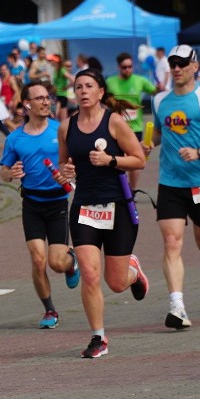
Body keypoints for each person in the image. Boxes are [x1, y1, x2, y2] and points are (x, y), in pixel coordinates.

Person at [56, 67, 148, 358]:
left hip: (117, 207)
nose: (82, 91)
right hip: (84, 207)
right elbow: (64, 166)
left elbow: (139, 160)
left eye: (88, 86)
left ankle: (134, 271)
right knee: (90, 274)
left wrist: (110, 160)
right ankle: (98, 337)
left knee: (117, 283)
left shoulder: (115, 122)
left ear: (100, 92)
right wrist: (67, 171)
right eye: (78, 86)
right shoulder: (65, 127)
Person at [148, 45, 200, 331]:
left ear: (194, 66)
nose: (177, 69)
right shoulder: (160, 100)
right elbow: (159, 133)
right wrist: (146, 144)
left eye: (183, 64)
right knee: (172, 242)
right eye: (173, 64)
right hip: (170, 183)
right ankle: (177, 306)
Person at [0, 80, 80, 329]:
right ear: (26, 104)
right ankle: (50, 310)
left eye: (48, 98)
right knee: (37, 260)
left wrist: (69, 172)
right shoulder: (15, 139)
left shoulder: (61, 130)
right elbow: (3, 172)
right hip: (31, 204)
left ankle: (71, 261)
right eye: (40, 98)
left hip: (57, 203)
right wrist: (11, 172)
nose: (46, 102)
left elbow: (74, 164)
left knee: (56, 263)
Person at [106, 52, 157, 190]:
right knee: (117, 160)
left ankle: (132, 192)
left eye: (130, 67)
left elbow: (156, 93)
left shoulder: (140, 80)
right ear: (118, 67)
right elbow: (103, 100)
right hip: (115, 128)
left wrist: (160, 88)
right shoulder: (110, 82)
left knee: (134, 160)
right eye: (124, 67)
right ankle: (119, 189)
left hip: (135, 127)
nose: (128, 70)